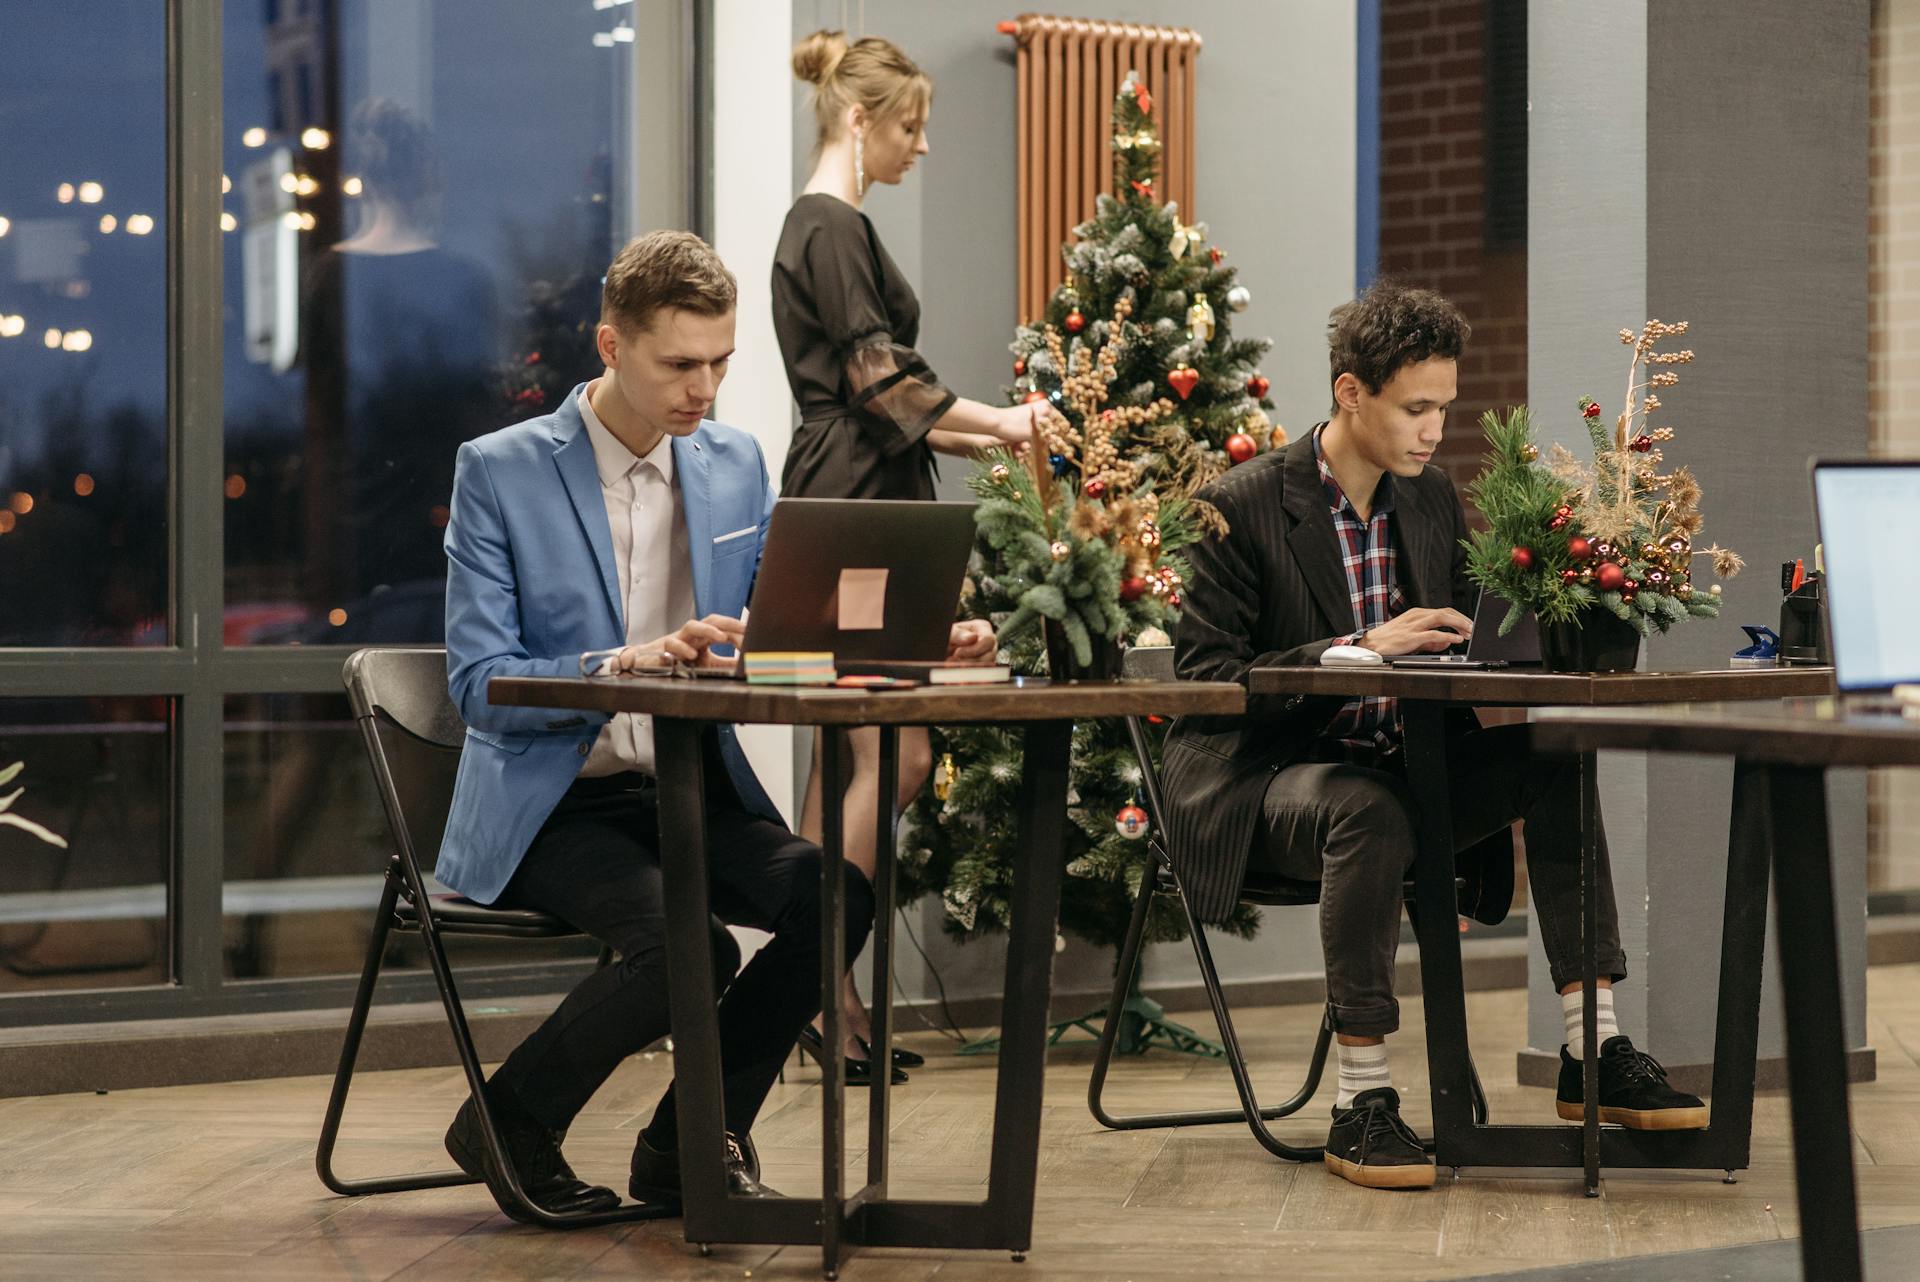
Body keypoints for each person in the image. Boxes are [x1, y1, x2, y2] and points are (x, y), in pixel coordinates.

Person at [1161, 279, 1705, 1192]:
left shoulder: (1430, 499)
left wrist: (1564, 616)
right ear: (1350, 394)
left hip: (1400, 769)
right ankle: (1361, 1102)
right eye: (1416, 408)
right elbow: (1205, 685)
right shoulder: (1240, 507)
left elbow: (1470, 643)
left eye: (1445, 408)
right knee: (1367, 810)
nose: (1434, 429)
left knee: (1558, 759)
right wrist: (1355, 649)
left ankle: (1593, 1051)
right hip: (1261, 782)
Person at [435, 229, 873, 1220]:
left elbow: (778, 642)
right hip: (553, 801)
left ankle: (687, 1140)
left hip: (684, 787)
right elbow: (476, 682)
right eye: (680, 364)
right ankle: (507, 1121)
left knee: (834, 895)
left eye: (720, 362)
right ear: (610, 345)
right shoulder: (500, 471)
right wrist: (620, 662)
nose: (704, 388)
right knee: (693, 946)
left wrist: (894, 646)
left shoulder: (730, 464)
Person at [772, 29, 1033, 1084]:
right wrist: (1006, 424)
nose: (921, 147)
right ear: (858, 117)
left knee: (855, 753)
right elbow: (882, 387)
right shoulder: (829, 226)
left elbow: (883, 401)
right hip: (855, 504)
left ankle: (817, 996)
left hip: (857, 488)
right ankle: (816, 992)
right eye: (912, 126)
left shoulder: (831, 227)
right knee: (894, 752)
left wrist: (984, 434)